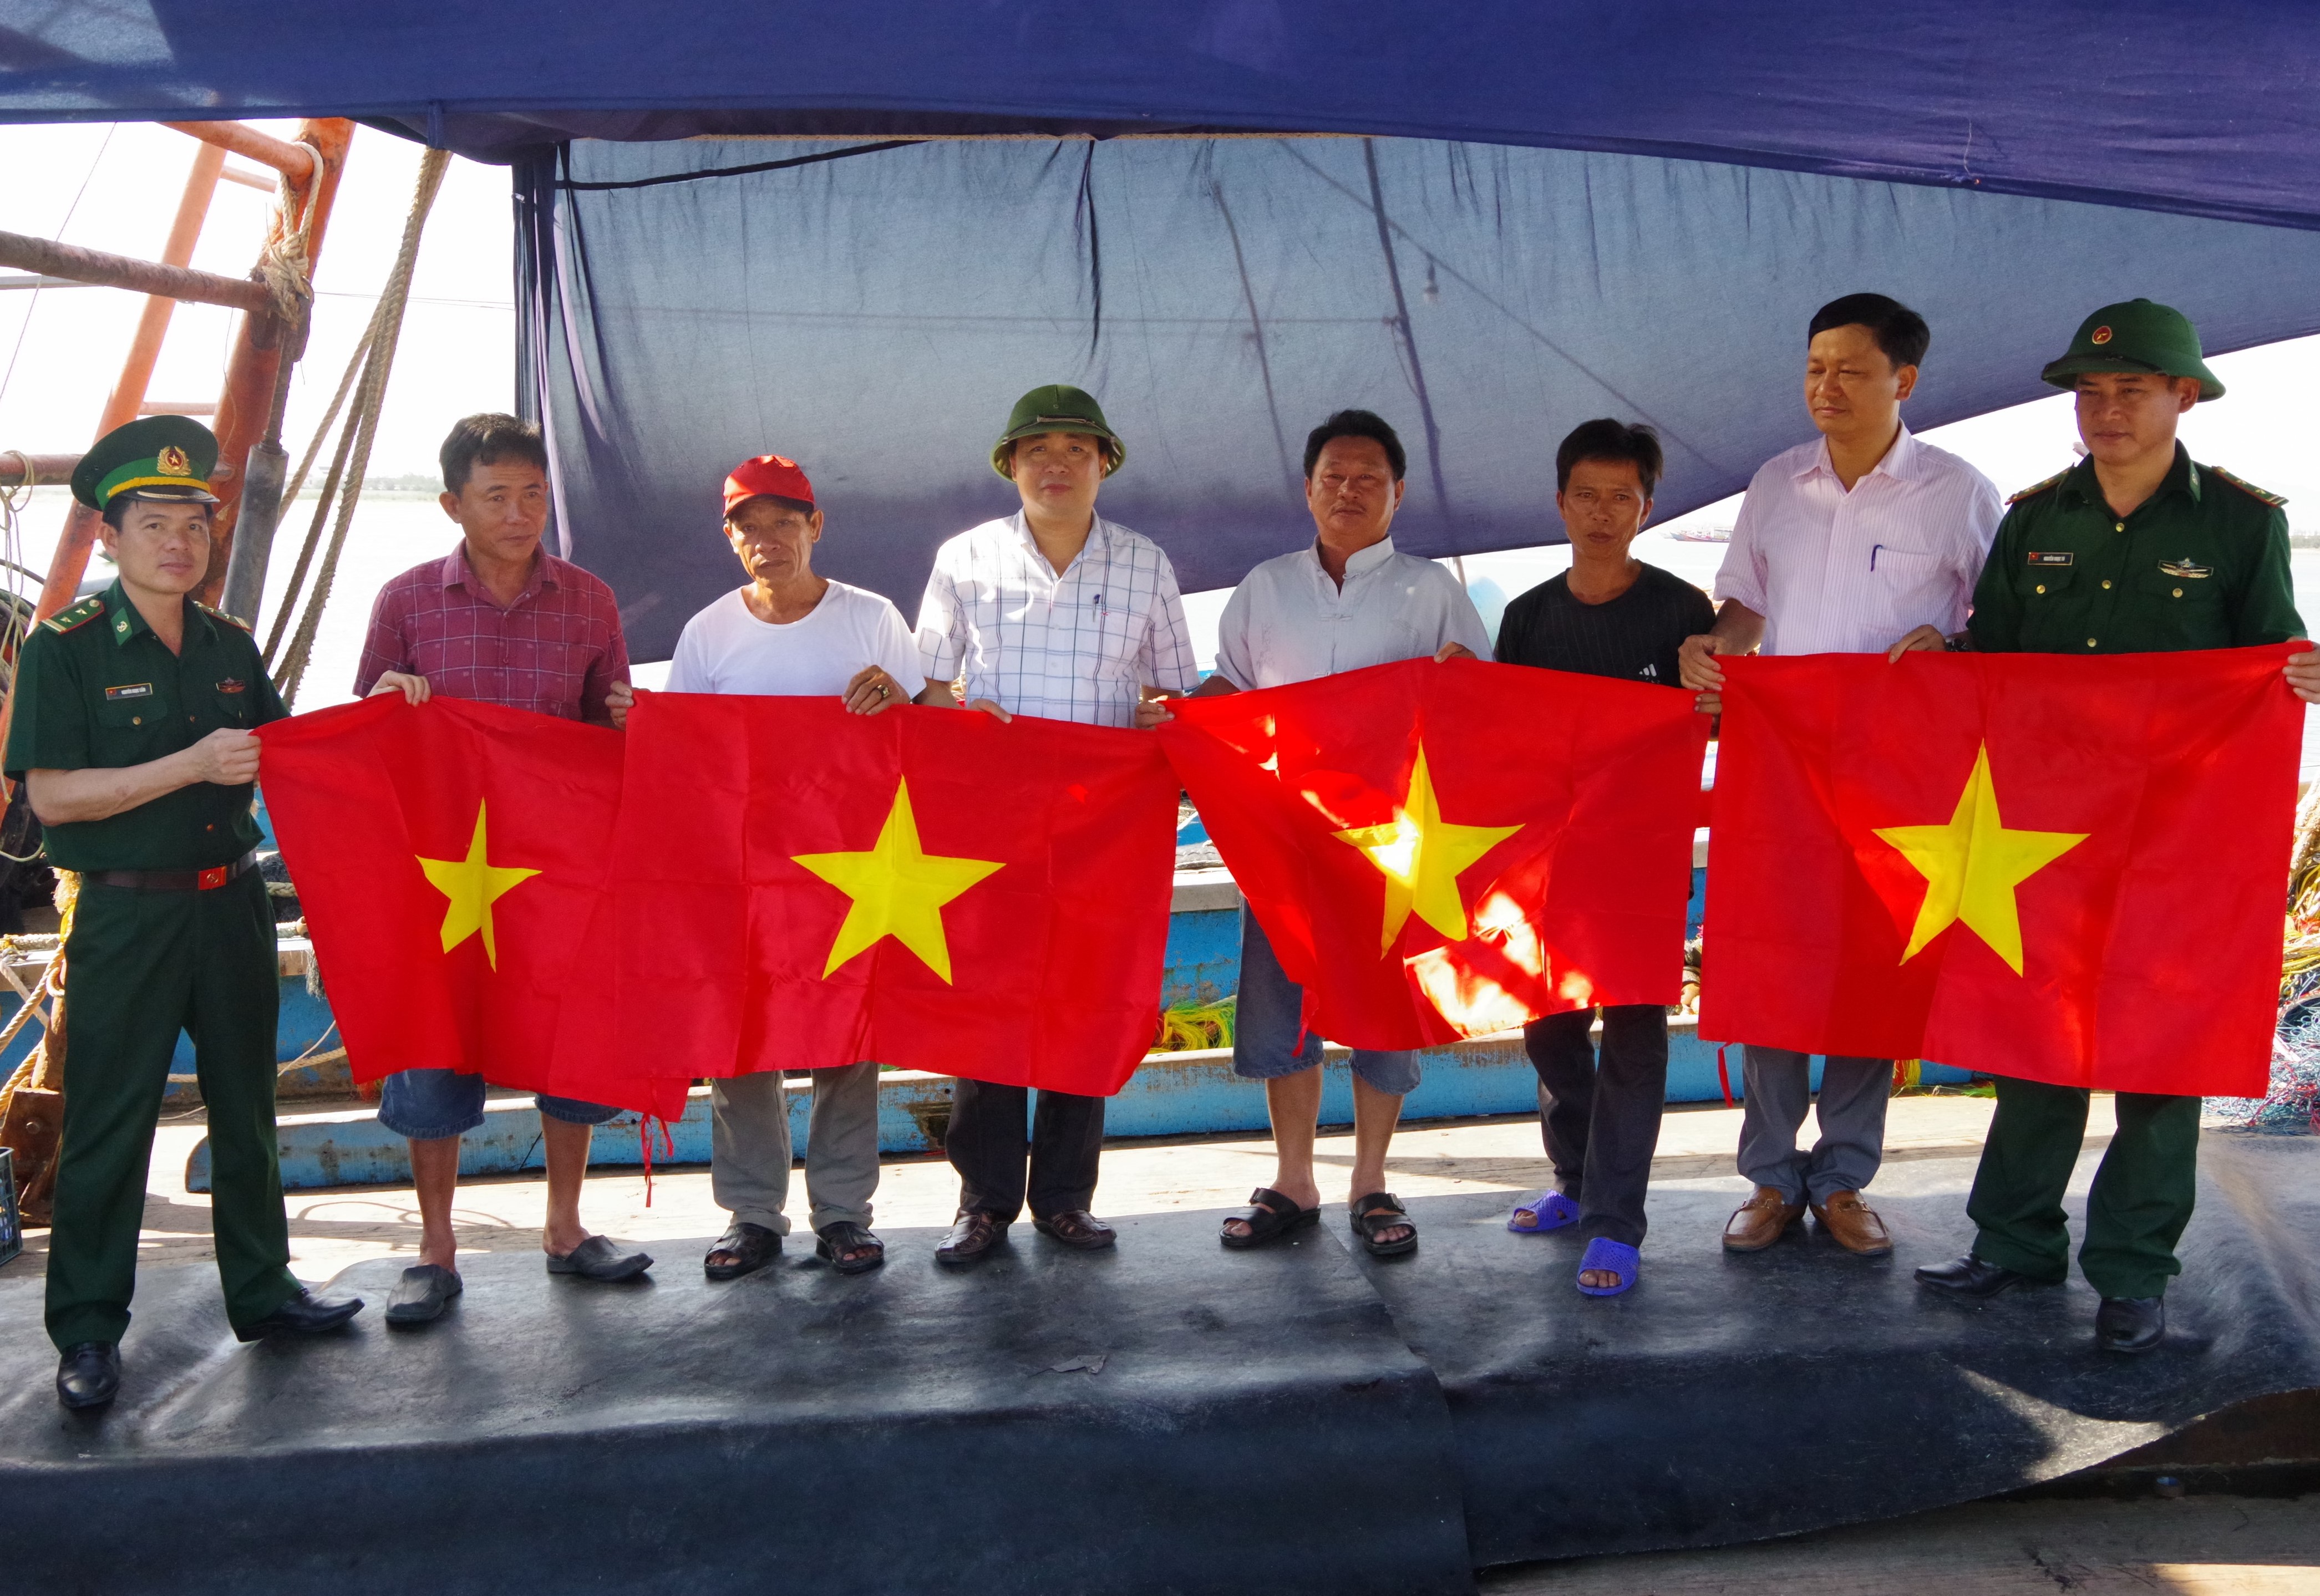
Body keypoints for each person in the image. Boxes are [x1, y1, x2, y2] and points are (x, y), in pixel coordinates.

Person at [1907, 299, 2320, 1353]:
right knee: (2033, 1038)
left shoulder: (2241, 524)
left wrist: (2302, 673)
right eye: (2090, 392)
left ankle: (2134, 1270)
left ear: (2185, 397)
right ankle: (2015, 1240)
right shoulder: (2036, 519)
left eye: (2131, 389)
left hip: (2179, 837)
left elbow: (2270, 661)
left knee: (2162, 1053)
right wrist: (1943, 656)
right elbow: (1993, 663)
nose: (2106, 410)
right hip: (2042, 826)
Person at [12, 416, 364, 1410]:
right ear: (111, 536)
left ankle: (264, 1287)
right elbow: (54, 798)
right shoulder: (66, 649)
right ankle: (88, 1328)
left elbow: (290, 755)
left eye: (195, 524)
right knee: (110, 1121)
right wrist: (190, 764)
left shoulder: (228, 645)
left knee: (248, 1109)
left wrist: (379, 707)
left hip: (230, 905)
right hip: (127, 916)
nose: (180, 542)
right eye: (156, 523)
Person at [1677, 293, 2002, 1260]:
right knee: (1771, 958)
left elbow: (1999, 629)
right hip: (1779, 764)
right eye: (1816, 368)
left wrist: (1953, 646)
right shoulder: (1776, 483)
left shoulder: (1959, 491)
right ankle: (1771, 1178)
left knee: (1874, 963)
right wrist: (1713, 647)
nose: (1827, 386)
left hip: (1901, 775)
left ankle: (1846, 1176)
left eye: (1851, 370)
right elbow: (1745, 609)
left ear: (1905, 380)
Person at [1161, 409, 1490, 1259]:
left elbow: (1481, 707)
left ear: (1398, 492)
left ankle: (1371, 1179)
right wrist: (1180, 716)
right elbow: (1230, 688)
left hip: (1397, 846)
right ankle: (1295, 1177)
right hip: (1286, 840)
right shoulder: (1264, 588)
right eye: (1333, 477)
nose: (1349, 491)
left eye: (1368, 478)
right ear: (1308, 489)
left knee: (1385, 1011)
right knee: (1282, 1007)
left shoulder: (1435, 592)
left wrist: (1463, 683)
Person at [354, 413, 649, 1325]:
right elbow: (358, 734)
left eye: (533, 494)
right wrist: (387, 700)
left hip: (559, 870)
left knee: (571, 1040)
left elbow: (608, 732)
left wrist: (632, 718)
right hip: (446, 873)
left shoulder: (591, 600)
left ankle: (565, 1227)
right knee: (434, 1046)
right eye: (497, 497)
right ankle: (435, 1247)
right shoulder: (406, 601)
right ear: (454, 504)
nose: (520, 514)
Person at [910, 384, 1201, 1264]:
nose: (1057, 464)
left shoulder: (1146, 563)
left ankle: (1067, 1198)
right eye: (1038, 450)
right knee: (989, 1005)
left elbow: (1176, 694)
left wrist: (1159, 719)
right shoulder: (964, 559)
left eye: (1077, 449)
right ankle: (984, 1202)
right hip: (990, 821)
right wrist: (964, 721)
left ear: (1104, 463)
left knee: (1086, 999)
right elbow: (928, 688)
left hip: (1103, 825)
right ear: (1011, 465)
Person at [667, 454, 924, 1281]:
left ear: (816, 526)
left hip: (854, 866)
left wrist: (901, 700)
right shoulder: (708, 632)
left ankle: (844, 1212)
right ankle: (752, 1214)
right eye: (749, 525)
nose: (767, 539)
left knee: (848, 1034)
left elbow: (930, 728)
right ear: (730, 537)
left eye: (784, 522)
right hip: (745, 868)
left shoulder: (872, 618)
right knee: (743, 1038)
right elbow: (681, 756)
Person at [1493, 419, 1713, 1297]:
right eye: (1586, 494)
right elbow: (1499, 736)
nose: (1601, 511)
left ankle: (1617, 1221)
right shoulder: (1527, 616)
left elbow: (1715, 722)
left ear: (1645, 508)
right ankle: (1575, 1179)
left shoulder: (1681, 612)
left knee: (1633, 1032)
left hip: (1642, 856)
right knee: (1548, 1027)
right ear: (1560, 503)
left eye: (1621, 496)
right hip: (1547, 859)